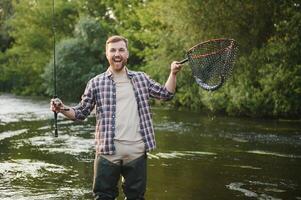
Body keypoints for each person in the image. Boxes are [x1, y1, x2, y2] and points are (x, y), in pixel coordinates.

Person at [50, 35, 182, 200]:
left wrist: (173, 73)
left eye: (121, 49)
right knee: (103, 196)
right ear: (107, 54)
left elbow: (166, 94)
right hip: (107, 153)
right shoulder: (96, 83)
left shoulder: (141, 78)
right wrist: (61, 108)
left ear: (127, 54)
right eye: (112, 50)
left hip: (136, 153)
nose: (117, 54)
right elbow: (80, 113)